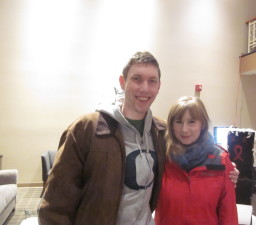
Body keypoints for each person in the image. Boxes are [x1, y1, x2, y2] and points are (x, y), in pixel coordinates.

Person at [38, 51, 239, 225]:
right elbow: (55, 203)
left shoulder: (161, 133)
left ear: (159, 86)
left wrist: (228, 172)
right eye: (137, 79)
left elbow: (192, 157)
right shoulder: (86, 129)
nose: (145, 88)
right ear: (122, 82)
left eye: (152, 81)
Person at [154, 96, 238, 225]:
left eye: (191, 122)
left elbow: (228, 215)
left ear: (202, 124)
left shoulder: (220, 161)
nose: (184, 129)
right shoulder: (162, 157)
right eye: (178, 122)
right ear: (171, 125)